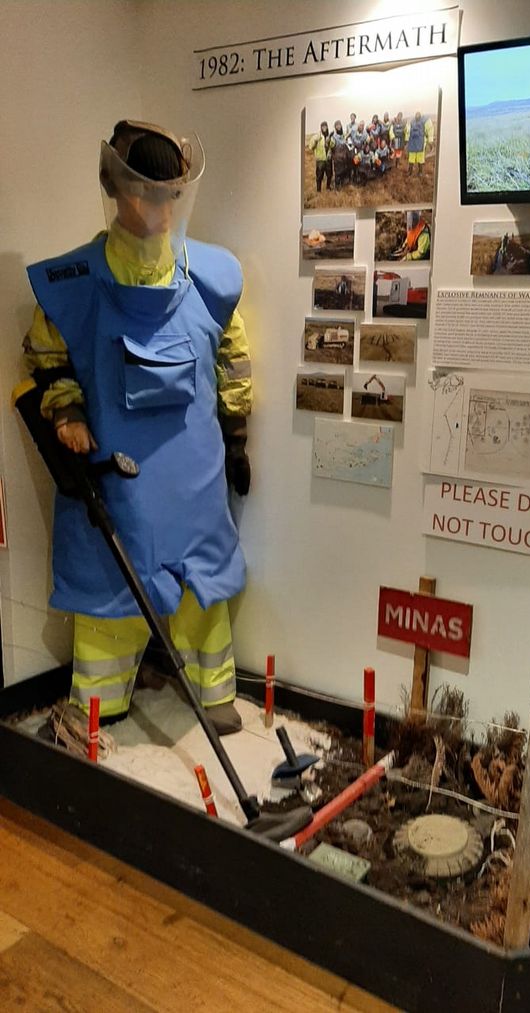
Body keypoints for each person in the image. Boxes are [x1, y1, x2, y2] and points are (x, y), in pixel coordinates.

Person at [23, 119, 252, 736]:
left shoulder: (210, 278)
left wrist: (236, 435)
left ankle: (213, 686)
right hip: (113, 474)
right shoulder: (74, 283)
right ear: (115, 187)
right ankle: (99, 699)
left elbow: (232, 356)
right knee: (110, 583)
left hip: (195, 474)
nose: (156, 205)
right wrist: (67, 412)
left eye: (167, 192)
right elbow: (48, 359)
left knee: (203, 582)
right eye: (143, 190)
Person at [404, 111, 434, 175]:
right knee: (411, 159)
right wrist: (406, 140)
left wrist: (430, 141)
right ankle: (410, 171)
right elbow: (407, 131)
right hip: (412, 144)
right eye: (416, 114)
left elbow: (430, 130)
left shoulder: (425, 121)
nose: (417, 115)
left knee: (420, 159)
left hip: (421, 143)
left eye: (418, 114)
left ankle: (420, 172)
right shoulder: (411, 121)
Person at [308, 120, 334, 192]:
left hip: (328, 159)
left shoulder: (329, 136)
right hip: (320, 160)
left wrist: (329, 139)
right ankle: (318, 190)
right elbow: (311, 147)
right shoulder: (317, 136)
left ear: (327, 127)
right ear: (321, 127)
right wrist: (316, 140)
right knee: (319, 176)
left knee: (329, 175)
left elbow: (333, 145)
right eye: (323, 126)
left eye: (325, 126)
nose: (324, 128)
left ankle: (328, 187)